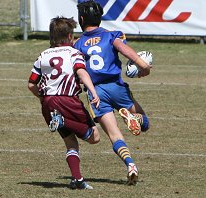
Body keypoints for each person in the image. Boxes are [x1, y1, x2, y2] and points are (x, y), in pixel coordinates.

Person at [74, 0, 152, 185]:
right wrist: (144, 67)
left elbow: (77, 71)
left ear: (81, 19)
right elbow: (129, 53)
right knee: (145, 123)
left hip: (96, 93)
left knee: (114, 135)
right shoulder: (111, 36)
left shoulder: (77, 44)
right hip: (117, 88)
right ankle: (136, 119)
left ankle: (130, 164)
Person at [28, 16, 101, 190]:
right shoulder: (74, 53)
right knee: (94, 137)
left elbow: (31, 84)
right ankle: (63, 121)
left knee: (70, 142)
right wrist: (93, 91)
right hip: (68, 100)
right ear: (69, 36)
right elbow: (81, 72)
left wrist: (43, 98)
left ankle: (78, 179)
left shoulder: (43, 55)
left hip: (48, 102)